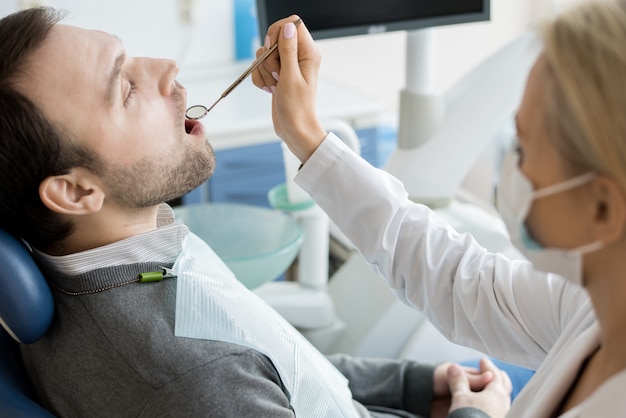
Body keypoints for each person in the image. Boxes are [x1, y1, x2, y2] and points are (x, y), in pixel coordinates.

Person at [0, 7, 514, 418]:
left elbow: (276, 364)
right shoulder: (195, 378)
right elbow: (234, 374)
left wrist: (415, 386)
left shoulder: (120, 261)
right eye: (126, 88)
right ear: (74, 192)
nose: (168, 69)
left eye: (131, 57)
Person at [252, 0, 626, 416]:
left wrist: (473, 413)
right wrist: (305, 134)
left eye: (522, 148)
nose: (511, 168)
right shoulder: (596, 301)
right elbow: (456, 277)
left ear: (604, 208)